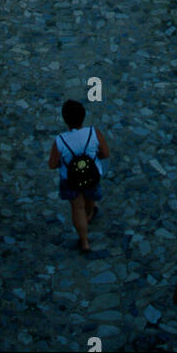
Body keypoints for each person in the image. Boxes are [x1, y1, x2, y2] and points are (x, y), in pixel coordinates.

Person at [47, 99, 110, 254]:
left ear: (65, 119)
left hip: (70, 180)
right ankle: (90, 214)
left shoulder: (60, 140)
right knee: (89, 200)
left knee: (77, 207)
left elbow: (52, 164)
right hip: (91, 175)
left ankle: (84, 241)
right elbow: (105, 153)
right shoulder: (93, 133)